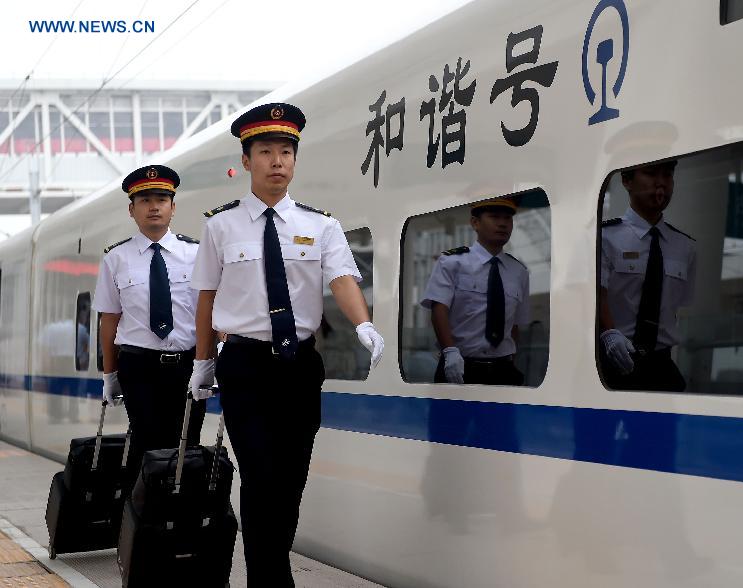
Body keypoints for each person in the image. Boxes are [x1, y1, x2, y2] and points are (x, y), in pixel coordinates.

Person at [188, 102, 385, 586]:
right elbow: (206, 299)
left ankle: (270, 571)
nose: (278, 160)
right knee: (260, 476)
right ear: (248, 159)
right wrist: (202, 362)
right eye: (266, 151)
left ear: (294, 161)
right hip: (245, 364)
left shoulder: (322, 226)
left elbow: (341, 278)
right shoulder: (220, 226)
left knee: (291, 479)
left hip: (299, 366)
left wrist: (363, 324)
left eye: (286, 151)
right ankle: (271, 580)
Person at [92, 164, 205, 480]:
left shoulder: (195, 254)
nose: (153, 207)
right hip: (139, 367)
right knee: (146, 445)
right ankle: (145, 520)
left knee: (187, 447)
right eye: (144, 200)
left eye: (161, 199)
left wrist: (210, 362)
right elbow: (109, 319)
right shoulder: (116, 259)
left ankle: (181, 519)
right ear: (132, 209)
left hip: (187, 365)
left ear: (173, 207)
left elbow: (210, 313)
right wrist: (109, 374)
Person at [599, 160, 696, 392]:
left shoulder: (685, 246)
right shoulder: (604, 238)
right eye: (651, 173)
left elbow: (681, 306)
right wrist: (609, 333)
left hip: (662, 368)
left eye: (668, 174)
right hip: (613, 363)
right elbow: (595, 295)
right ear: (626, 180)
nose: (661, 182)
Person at [420, 197, 530, 386]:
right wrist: (450, 351)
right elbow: (439, 309)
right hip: (460, 365)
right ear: (475, 223)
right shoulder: (452, 262)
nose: (503, 224)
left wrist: (511, 358)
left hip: (502, 370)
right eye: (494, 217)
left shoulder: (518, 271)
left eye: (507, 218)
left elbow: (514, 324)